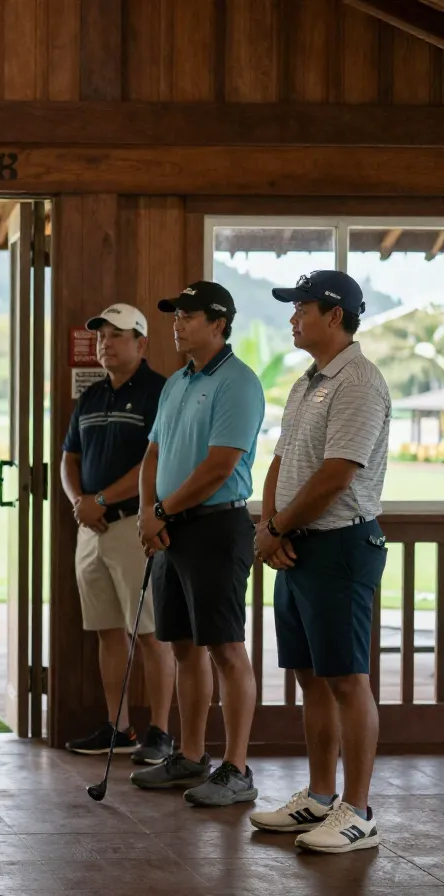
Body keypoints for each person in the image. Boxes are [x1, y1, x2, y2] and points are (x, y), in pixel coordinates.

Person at [249, 271, 390, 853]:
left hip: (341, 546)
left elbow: (337, 474)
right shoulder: (305, 382)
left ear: (335, 315)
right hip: (298, 544)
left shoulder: (359, 381)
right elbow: (283, 460)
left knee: (346, 679)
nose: (292, 317)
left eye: (302, 307)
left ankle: (358, 810)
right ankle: (320, 796)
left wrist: (278, 526)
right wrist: (269, 523)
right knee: (311, 677)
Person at [130, 281, 265, 807]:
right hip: (171, 527)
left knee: (226, 648)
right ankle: (190, 756)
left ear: (218, 323)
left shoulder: (239, 382)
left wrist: (161, 511)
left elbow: (220, 465)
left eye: (187, 315)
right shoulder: (177, 382)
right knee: (184, 647)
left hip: (215, 526)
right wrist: (149, 512)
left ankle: (236, 768)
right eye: (175, 315)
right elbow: (153, 455)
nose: (177, 323)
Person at [60, 303, 175, 764]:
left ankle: (161, 733)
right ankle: (119, 727)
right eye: (102, 335)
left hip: (133, 525)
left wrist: (100, 500)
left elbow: (157, 461)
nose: (106, 343)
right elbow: (70, 458)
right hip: (90, 528)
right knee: (107, 631)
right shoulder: (90, 396)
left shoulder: (160, 393)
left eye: (117, 335)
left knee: (149, 633)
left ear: (141, 343)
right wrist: (79, 503)